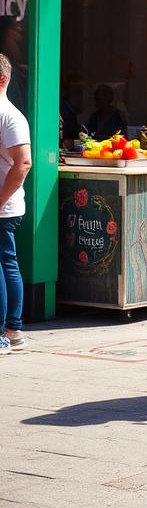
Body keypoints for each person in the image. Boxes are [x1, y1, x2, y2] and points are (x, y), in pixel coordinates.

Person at [0, 54, 31, 356]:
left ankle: (7, 331)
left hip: (3, 208)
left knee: (4, 263)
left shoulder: (9, 116)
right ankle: (13, 330)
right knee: (6, 262)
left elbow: (23, 164)